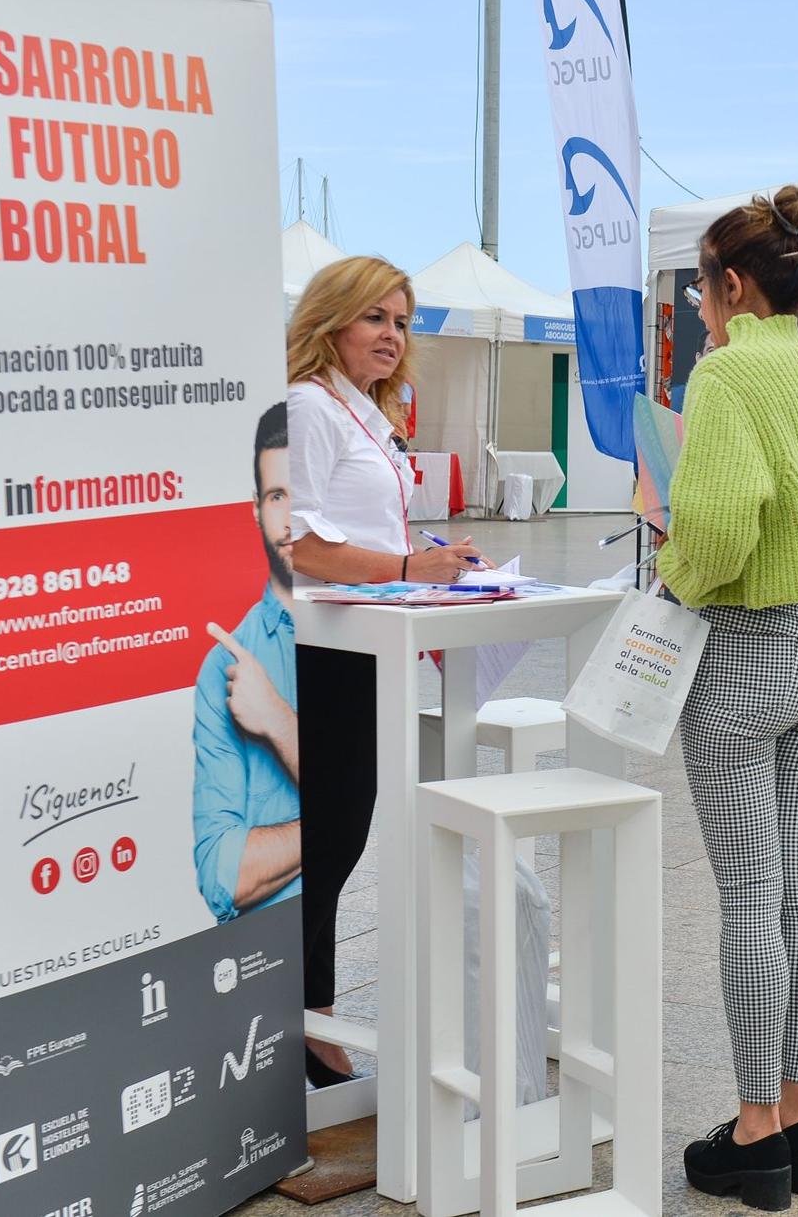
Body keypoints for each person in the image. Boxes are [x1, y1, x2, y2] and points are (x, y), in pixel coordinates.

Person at [660, 185, 798, 1211]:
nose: (699, 306)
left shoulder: (728, 373)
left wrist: (669, 571)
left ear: (731, 284)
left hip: (745, 653)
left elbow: (715, 529)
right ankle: (797, 1112)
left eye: (701, 287)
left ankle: (750, 1133)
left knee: (750, 895)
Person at [286, 256, 493, 1087]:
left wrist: (430, 564)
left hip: (366, 642)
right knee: (326, 838)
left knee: (339, 834)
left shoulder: (361, 408)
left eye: (402, 322)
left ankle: (311, 1016)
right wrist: (409, 561)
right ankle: (305, 1021)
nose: (391, 335)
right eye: (375, 317)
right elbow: (295, 541)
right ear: (331, 319)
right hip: (320, 649)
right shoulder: (307, 406)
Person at [192, 403, 300, 925]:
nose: (290, 518)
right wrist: (338, 824)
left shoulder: (359, 627)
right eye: (278, 496)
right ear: (256, 508)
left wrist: (277, 720)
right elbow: (224, 877)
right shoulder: (226, 666)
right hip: (263, 948)